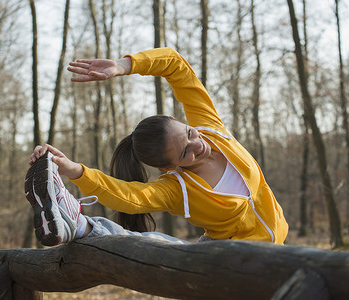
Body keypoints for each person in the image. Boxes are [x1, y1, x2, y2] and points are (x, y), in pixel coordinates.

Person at [25, 47, 288, 247]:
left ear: (176, 120)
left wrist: (122, 65)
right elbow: (129, 196)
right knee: (159, 247)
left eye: (189, 133)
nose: (199, 145)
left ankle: (78, 223)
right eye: (186, 152)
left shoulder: (212, 129)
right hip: (230, 259)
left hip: (278, 247)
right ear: (167, 167)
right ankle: (81, 225)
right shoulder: (178, 189)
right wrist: (75, 171)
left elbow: (175, 65)